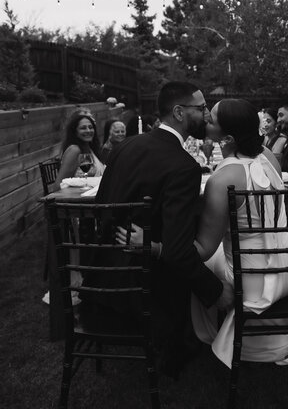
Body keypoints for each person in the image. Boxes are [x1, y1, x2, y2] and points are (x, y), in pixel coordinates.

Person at [86, 81, 233, 376]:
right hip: (143, 294)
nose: (206, 114)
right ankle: (176, 347)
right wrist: (217, 292)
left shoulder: (126, 146)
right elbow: (178, 252)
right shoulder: (183, 166)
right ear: (179, 112)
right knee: (185, 259)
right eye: (201, 108)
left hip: (101, 282)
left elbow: (101, 207)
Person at [189, 99, 288, 367]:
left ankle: (212, 337)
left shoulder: (222, 179)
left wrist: (163, 248)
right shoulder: (267, 156)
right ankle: (272, 341)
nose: (206, 118)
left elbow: (205, 247)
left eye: (212, 119)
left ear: (228, 137)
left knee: (200, 267)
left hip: (256, 281)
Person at [52, 112, 105, 191]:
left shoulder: (90, 148)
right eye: (83, 128)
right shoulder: (74, 150)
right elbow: (58, 185)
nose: (88, 130)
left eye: (91, 127)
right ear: (75, 132)